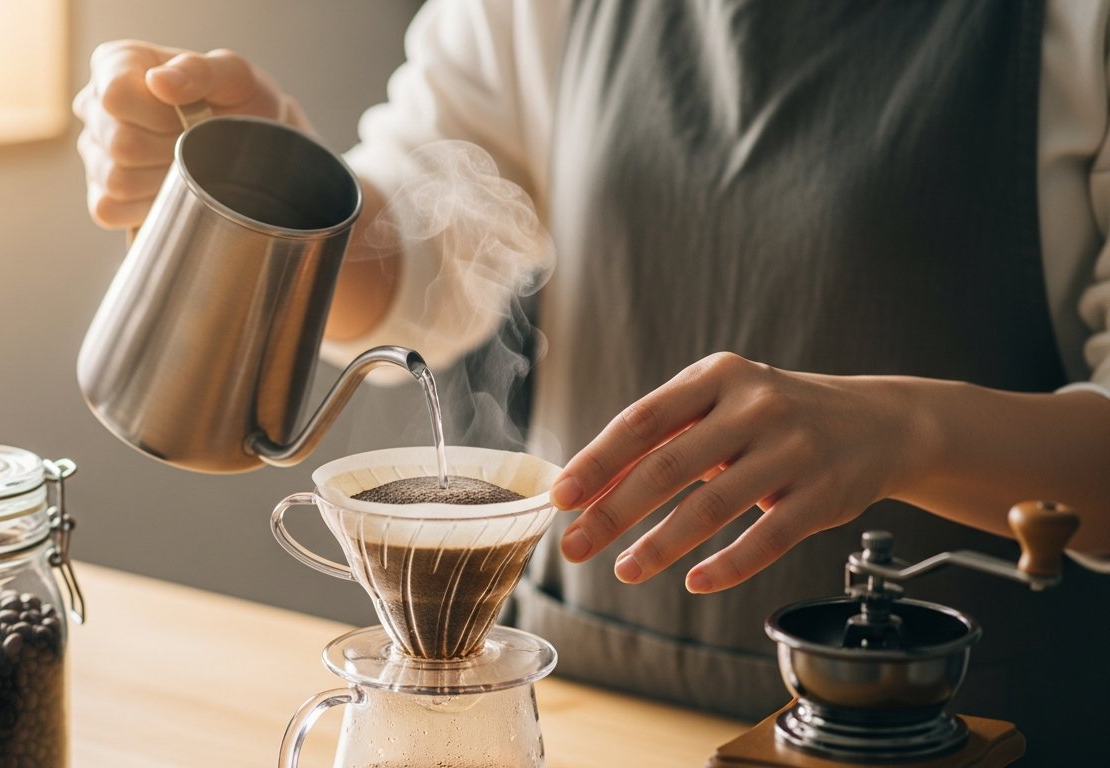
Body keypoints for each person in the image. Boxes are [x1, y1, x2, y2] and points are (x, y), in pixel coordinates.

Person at [74, 1, 1110, 763]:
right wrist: (277, 191)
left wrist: (907, 429)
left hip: (954, 731)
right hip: (589, 714)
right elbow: (424, 269)